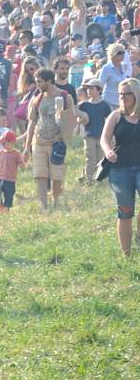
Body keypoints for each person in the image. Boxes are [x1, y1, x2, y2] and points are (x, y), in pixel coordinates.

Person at [23, 68, 76, 208]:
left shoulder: (65, 97)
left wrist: (65, 132)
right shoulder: (37, 99)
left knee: (56, 177)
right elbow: (32, 122)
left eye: (39, 81)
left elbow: (72, 119)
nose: (37, 85)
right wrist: (26, 147)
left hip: (57, 143)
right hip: (39, 142)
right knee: (40, 175)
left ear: (49, 81)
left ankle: (56, 202)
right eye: (36, 81)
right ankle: (43, 206)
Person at [100, 78, 140, 256]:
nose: (123, 98)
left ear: (136, 95)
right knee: (125, 211)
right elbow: (104, 138)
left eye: (127, 94)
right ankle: (126, 255)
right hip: (120, 169)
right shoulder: (116, 116)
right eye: (120, 94)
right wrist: (108, 151)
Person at [78, 78, 112, 183]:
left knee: (100, 158)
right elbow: (78, 118)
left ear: (99, 90)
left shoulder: (105, 105)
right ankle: (89, 179)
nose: (89, 90)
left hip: (101, 136)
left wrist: (110, 135)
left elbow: (109, 120)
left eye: (92, 88)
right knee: (90, 157)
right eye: (88, 88)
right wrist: (82, 120)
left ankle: (98, 178)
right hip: (89, 135)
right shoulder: (84, 105)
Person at [99, 43, 129, 110]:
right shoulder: (106, 68)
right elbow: (100, 85)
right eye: (120, 53)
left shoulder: (124, 66)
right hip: (108, 102)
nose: (123, 55)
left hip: (121, 102)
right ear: (113, 54)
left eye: (123, 52)